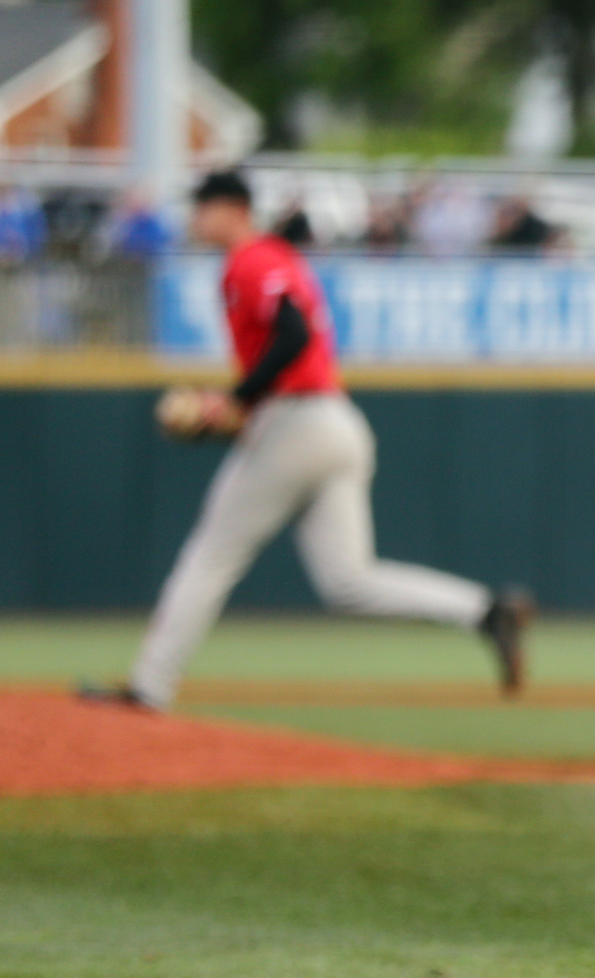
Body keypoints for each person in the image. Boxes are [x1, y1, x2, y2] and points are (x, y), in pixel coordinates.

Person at [85, 170, 533, 712]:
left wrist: (236, 400)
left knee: (211, 554)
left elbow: (293, 334)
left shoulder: (250, 260)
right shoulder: (273, 258)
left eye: (203, 209)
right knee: (348, 581)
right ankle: (486, 612)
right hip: (334, 424)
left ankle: (149, 685)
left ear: (232, 209)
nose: (196, 220)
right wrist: (238, 408)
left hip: (298, 420)